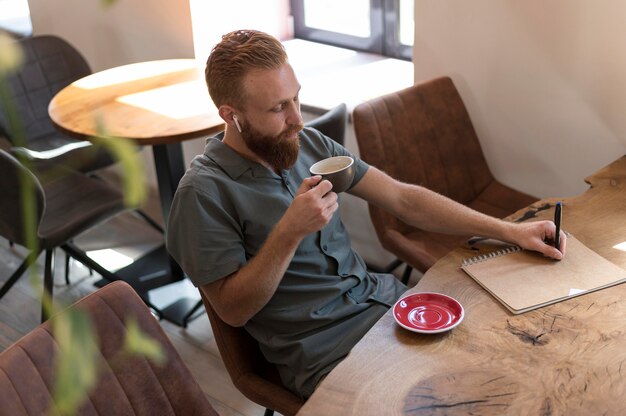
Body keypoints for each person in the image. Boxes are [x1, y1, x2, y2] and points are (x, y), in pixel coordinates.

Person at [166, 29, 567, 399]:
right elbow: (233, 311)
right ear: (230, 114)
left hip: (388, 305)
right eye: (277, 109)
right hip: (328, 353)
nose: (297, 119)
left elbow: (403, 200)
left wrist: (511, 232)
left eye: (296, 99)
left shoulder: (307, 143)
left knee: (520, 363)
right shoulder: (203, 193)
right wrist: (290, 231)